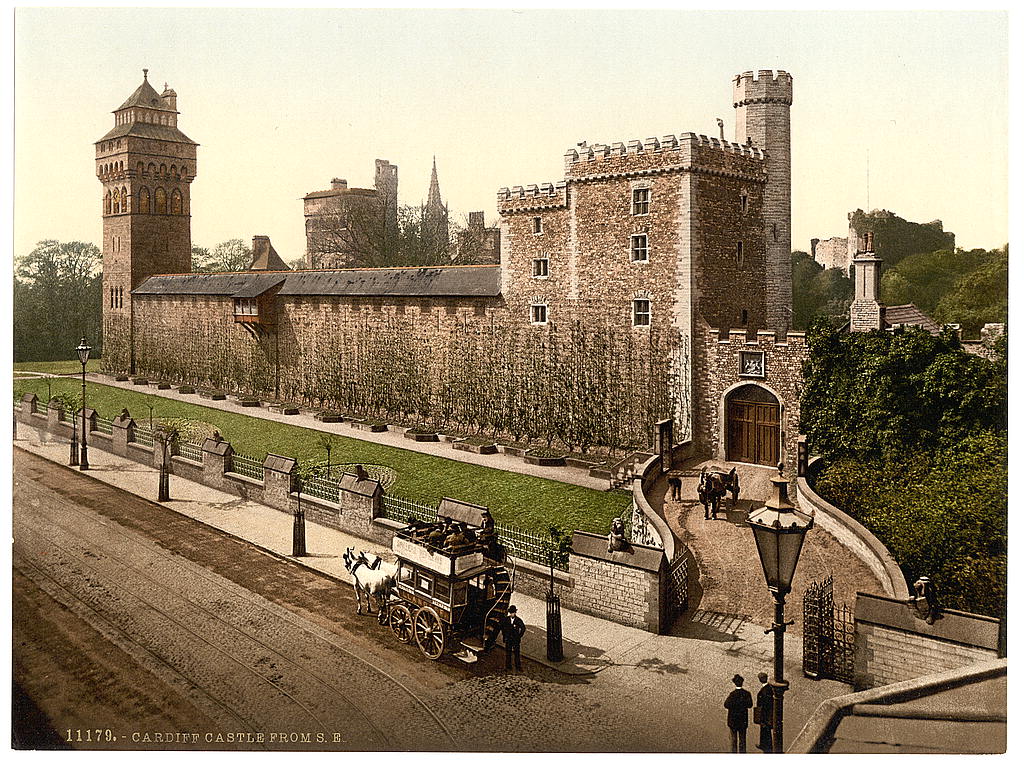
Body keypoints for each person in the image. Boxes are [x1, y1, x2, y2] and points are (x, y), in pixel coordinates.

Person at [724, 673, 753, 753]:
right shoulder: (747, 694)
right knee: (742, 739)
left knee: (733, 740)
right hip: (743, 720)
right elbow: (750, 705)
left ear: (735, 683)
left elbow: (726, 705)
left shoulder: (732, 694)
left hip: (733, 721)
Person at [500, 605, 526, 671]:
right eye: (511, 613)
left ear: (515, 613)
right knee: (508, 653)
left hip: (515, 640)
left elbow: (523, 628)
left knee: (517, 653)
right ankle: (508, 666)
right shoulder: (506, 619)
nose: (512, 614)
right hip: (508, 639)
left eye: (513, 612)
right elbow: (503, 628)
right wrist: (504, 636)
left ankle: (518, 666)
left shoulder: (518, 620)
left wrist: (519, 636)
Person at [755, 672, 774, 752]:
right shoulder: (770, 688)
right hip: (769, 714)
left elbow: (763, 706)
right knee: (766, 731)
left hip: (765, 715)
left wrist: (761, 718)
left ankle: (765, 746)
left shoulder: (763, 691)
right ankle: (766, 745)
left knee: (764, 731)